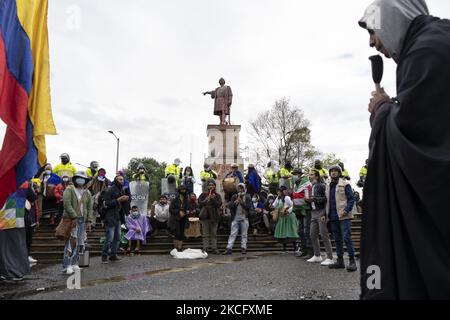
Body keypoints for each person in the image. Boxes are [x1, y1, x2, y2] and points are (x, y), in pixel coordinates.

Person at [358, 0, 450, 299]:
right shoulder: (431, 43)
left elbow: (420, 138)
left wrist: (382, 111)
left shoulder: (427, 50)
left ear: (394, 18)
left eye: (373, 31)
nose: (372, 42)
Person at [61, 171, 94, 275]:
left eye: (83, 178)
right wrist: (74, 216)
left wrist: (89, 220)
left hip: (82, 220)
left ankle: (75, 262)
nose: (81, 180)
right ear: (75, 179)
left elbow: (89, 207)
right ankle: (67, 265)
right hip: (71, 220)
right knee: (71, 242)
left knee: (80, 242)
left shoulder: (87, 192)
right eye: (79, 178)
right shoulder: (69, 189)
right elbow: (67, 204)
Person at [326, 165, 357, 272]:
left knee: (347, 238)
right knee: (337, 239)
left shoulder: (345, 184)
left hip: (344, 216)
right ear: (330, 173)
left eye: (336, 171)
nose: (333, 173)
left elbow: (351, 199)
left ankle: (352, 262)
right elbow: (327, 201)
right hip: (333, 216)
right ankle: (340, 261)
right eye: (332, 171)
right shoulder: (328, 185)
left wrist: (346, 210)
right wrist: (325, 214)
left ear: (339, 173)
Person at [0, 181, 33, 282]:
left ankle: (8, 272)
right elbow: (32, 196)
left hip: (4, 219)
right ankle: (18, 272)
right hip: (18, 218)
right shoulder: (24, 181)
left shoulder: (4, 178)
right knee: (18, 247)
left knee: (4, 249)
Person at [306, 169, 334, 266]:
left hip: (321, 212)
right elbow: (314, 200)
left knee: (324, 234)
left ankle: (330, 257)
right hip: (313, 212)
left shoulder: (321, 186)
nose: (309, 176)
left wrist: (325, 214)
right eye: (309, 175)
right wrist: (308, 200)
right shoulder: (312, 186)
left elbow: (326, 199)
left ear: (317, 176)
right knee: (312, 234)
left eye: (312, 175)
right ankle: (317, 255)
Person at [101, 175, 129, 264]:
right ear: (115, 180)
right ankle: (104, 255)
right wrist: (118, 200)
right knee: (109, 237)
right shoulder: (110, 190)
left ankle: (113, 255)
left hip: (118, 217)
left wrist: (126, 199)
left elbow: (122, 205)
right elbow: (107, 204)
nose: (121, 181)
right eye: (120, 179)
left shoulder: (122, 190)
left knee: (117, 238)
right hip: (110, 217)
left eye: (122, 180)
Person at [224, 183, 252, 255]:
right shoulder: (234, 196)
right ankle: (229, 248)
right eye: (238, 188)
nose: (240, 190)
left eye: (241, 188)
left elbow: (249, 208)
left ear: (244, 189)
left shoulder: (247, 197)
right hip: (235, 218)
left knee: (244, 234)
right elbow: (231, 206)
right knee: (233, 234)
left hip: (244, 218)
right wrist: (234, 203)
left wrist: (241, 202)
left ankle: (243, 248)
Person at [292, 168, 313, 259]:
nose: (295, 175)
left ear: (300, 174)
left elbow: (308, 196)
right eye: (294, 174)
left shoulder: (306, 183)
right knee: (300, 231)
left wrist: (306, 200)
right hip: (298, 210)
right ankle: (304, 250)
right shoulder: (295, 185)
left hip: (306, 210)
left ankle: (310, 251)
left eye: (296, 174)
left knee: (306, 231)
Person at [198, 179, 223, 254]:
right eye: (209, 185)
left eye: (212, 185)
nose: (211, 186)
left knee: (214, 233)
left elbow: (219, 204)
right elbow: (199, 204)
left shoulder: (217, 195)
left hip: (214, 216)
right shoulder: (203, 195)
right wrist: (206, 200)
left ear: (214, 186)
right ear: (207, 186)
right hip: (205, 216)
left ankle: (214, 248)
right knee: (205, 234)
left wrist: (213, 199)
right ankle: (205, 247)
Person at [273, 186, 299, 253]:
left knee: (291, 231)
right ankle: (284, 248)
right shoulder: (278, 198)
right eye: (277, 191)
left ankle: (295, 247)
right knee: (283, 233)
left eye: (279, 191)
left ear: (282, 192)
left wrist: (287, 211)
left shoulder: (287, 198)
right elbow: (274, 205)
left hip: (289, 216)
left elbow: (292, 205)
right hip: (282, 217)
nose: (278, 192)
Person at [168, 184, 192, 252]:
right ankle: (176, 248)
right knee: (176, 233)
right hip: (175, 219)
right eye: (182, 190)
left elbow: (189, 208)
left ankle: (180, 247)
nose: (183, 191)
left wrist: (187, 211)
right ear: (179, 190)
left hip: (184, 218)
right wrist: (178, 212)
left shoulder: (187, 200)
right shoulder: (175, 199)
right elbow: (171, 209)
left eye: (184, 190)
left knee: (182, 233)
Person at [26, 179, 40, 266]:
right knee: (26, 239)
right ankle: (24, 256)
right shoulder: (25, 184)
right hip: (23, 216)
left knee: (28, 239)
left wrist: (36, 220)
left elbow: (35, 208)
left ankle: (27, 255)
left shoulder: (29, 184)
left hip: (30, 218)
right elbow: (33, 196)